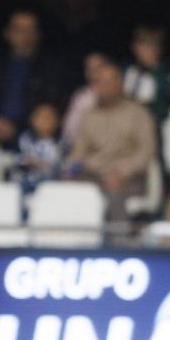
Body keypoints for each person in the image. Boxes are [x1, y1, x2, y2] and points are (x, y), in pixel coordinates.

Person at [64, 63, 156, 223]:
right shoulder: (88, 116)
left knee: (114, 195)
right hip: (93, 174)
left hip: (129, 177)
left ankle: (118, 246)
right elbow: (78, 152)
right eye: (99, 82)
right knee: (66, 191)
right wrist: (68, 172)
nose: (104, 87)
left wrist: (121, 172)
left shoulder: (138, 113)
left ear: (119, 83)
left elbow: (147, 151)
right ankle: (75, 245)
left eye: (109, 81)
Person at [0, 9, 61, 146]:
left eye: (29, 30)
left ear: (37, 35)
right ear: (7, 33)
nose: (24, 35)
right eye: (19, 29)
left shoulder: (49, 68)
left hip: (30, 138)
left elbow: (50, 107)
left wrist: (17, 128)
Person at [122, 23, 170, 125]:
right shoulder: (126, 70)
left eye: (154, 44)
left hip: (152, 125)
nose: (150, 49)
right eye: (144, 44)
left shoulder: (167, 74)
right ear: (134, 47)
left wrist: (155, 69)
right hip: (124, 124)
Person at [14, 102, 63, 192]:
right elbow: (15, 159)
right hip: (26, 181)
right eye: (42, 117)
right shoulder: (24, 140)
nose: (46, 121)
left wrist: (41, 164)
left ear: (57, 122)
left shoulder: (61, 144)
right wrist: (25, 161)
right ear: (32, 120)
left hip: (51, 183)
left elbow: (61, 166)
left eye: (49, 118)